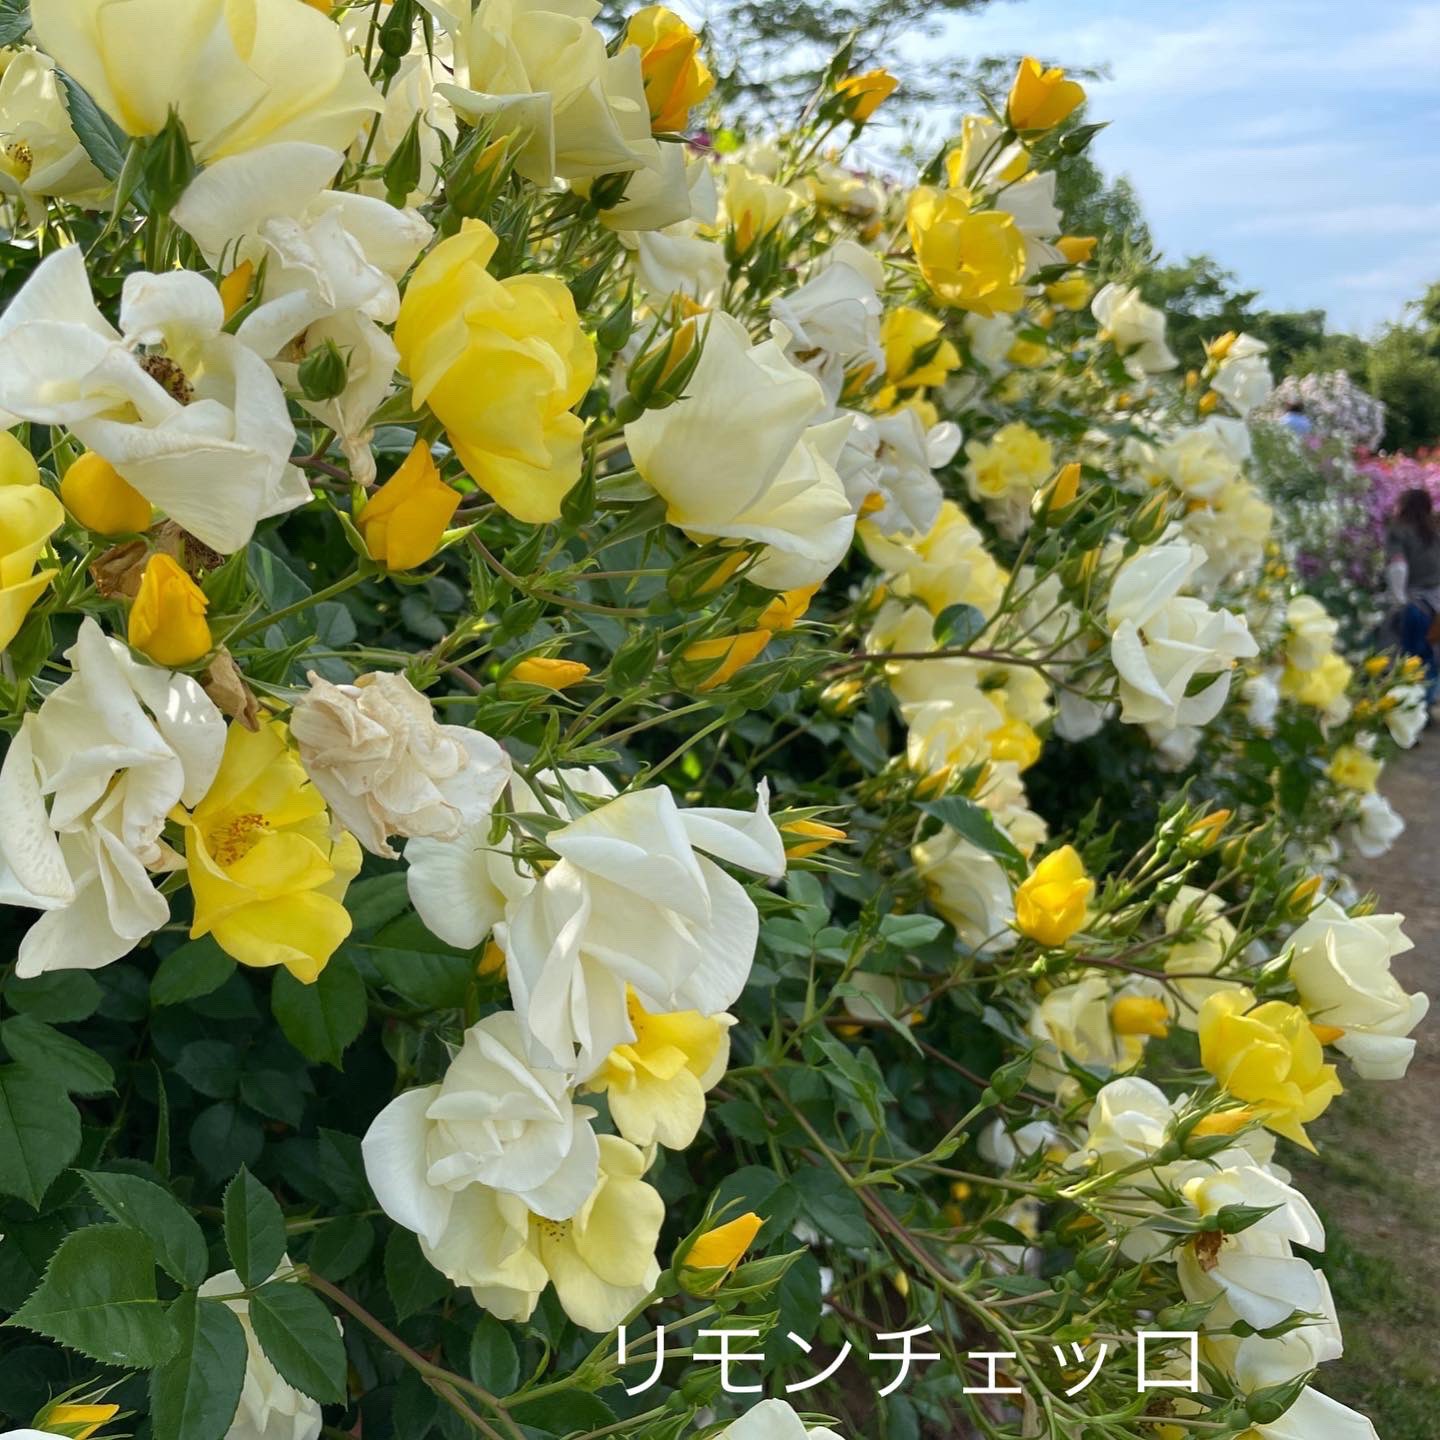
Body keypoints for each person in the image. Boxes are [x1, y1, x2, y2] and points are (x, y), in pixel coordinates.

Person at [1385, 487, 1440, 705]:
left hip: (1416, 606)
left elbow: (1398, 566)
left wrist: (1398, 599)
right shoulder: (1435, 531)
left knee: (1408, 660)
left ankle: (1410, 707)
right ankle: (1426, 705)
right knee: (1432, 658)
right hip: (1438, 607)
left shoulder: (1399, 531)